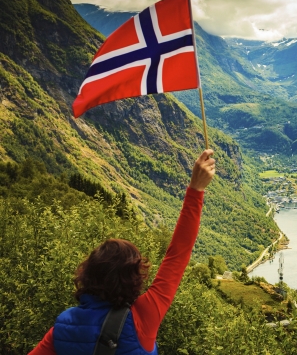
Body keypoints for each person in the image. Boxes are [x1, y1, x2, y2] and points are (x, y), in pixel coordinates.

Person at [30, 149, 216, 355]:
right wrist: (196, 189)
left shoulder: (63, 327)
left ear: (88, 274)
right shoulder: (143, 317)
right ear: (133, 277)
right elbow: (178, 254)